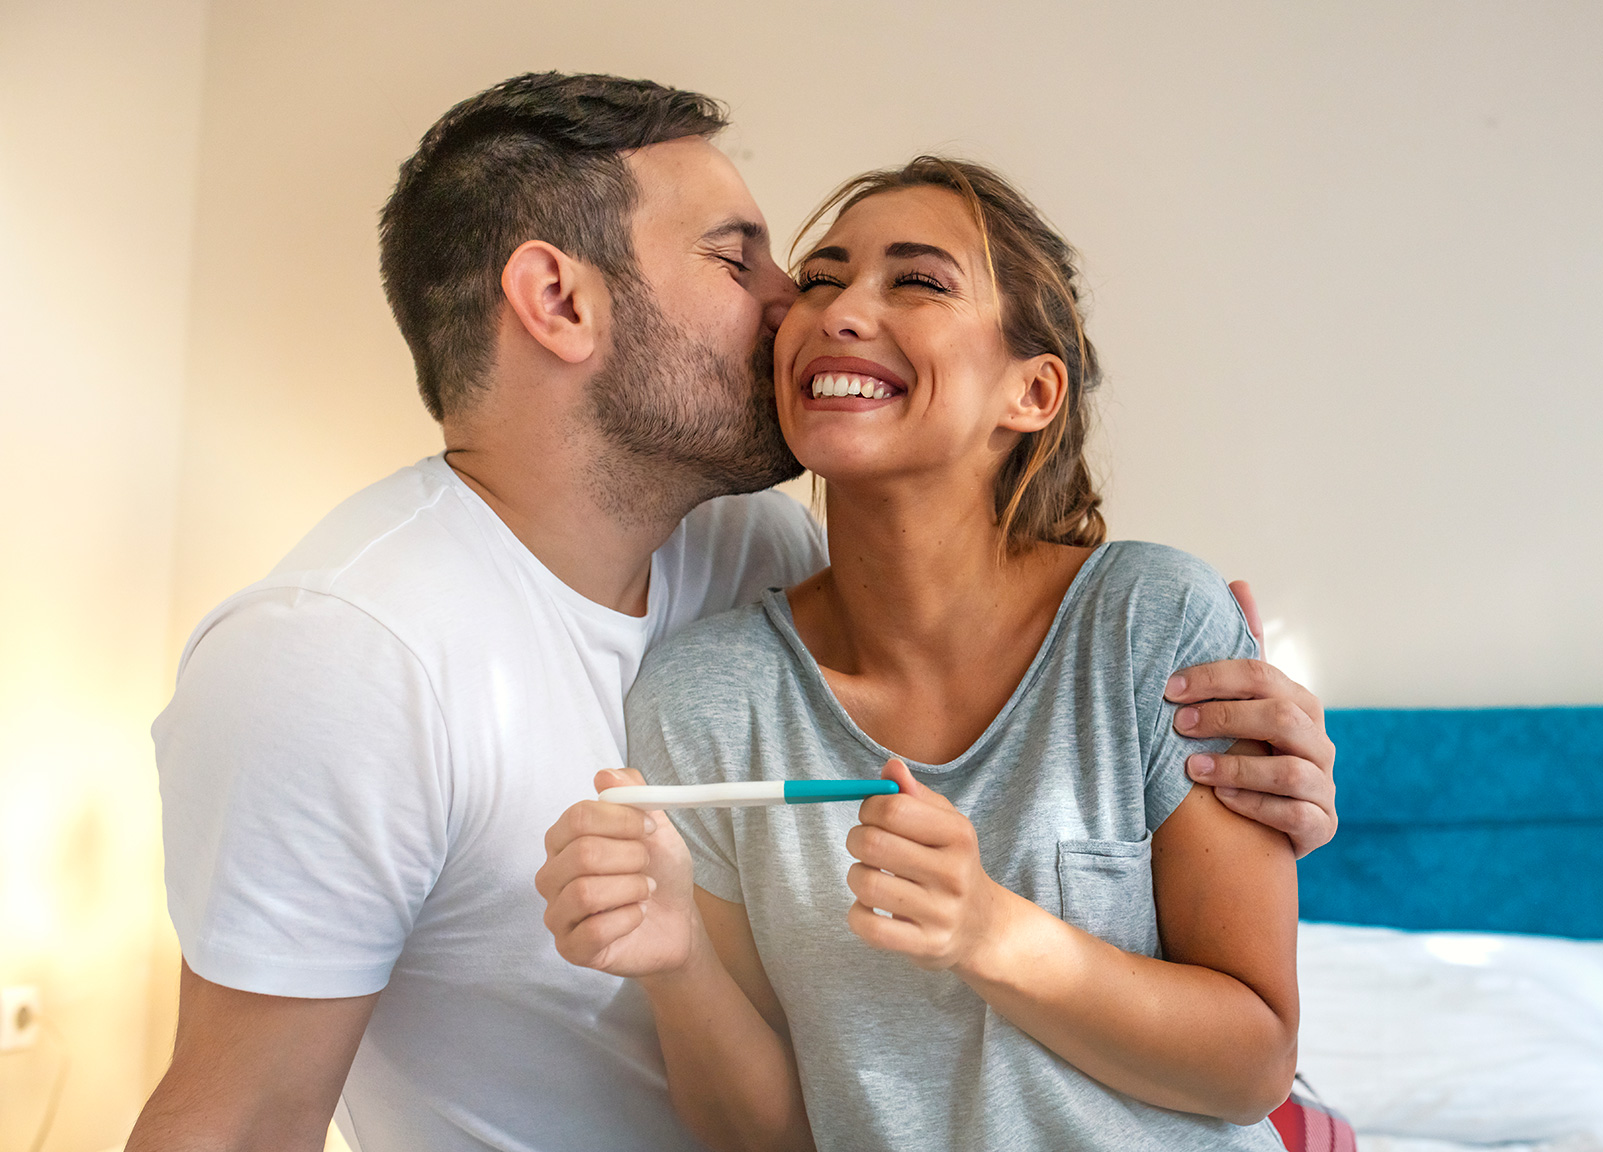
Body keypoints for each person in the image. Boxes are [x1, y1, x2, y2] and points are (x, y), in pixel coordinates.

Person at [129, 73, 1335, 1152]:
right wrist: (685, 958)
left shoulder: (745, 541)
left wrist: (1243, 717)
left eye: (887, 278)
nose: (792, 307)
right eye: (746, 258)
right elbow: (237, 1117)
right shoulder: (341, 655)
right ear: (559, 300)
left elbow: (985, 605)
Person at [540, 158, 1299, 1150]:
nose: (839, 312)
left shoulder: (1152, 624)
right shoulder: (706, 700)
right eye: (821, 278)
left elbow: (1252, 1067)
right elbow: (764, 1139)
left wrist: (993, 934)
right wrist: (676, 962)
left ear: (1031, 392)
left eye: (919, 281)